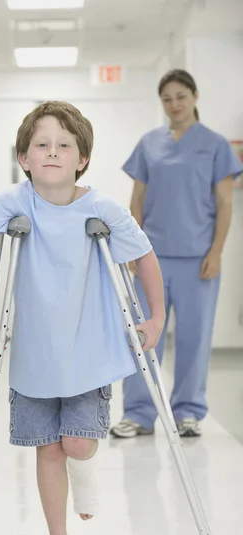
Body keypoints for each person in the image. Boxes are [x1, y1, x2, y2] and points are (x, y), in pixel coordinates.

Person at [0, 101, 165, 535]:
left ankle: (86, 471)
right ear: (24, 158)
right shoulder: (14, 202)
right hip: (34, 355)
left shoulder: (103, 208)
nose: (52, 152)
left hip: (89, 351)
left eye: (64, 145)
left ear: (82, 159)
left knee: (75, 445)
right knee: (47, 448)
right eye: (41, 145)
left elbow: (146, 258)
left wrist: (154, 319)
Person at [110, 69, 243, 439]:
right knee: (141, 335)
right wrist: (130, 249)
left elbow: (225, 204)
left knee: (193, 337)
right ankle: (138, 413)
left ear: (195, 96)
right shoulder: (149, 143)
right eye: (167, 98)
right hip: (151, 257)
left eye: (181, 96)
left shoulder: (215, 145)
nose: (174, 104)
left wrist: (217, 251)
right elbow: (136, 200)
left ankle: (188, 412)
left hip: (199, 258)